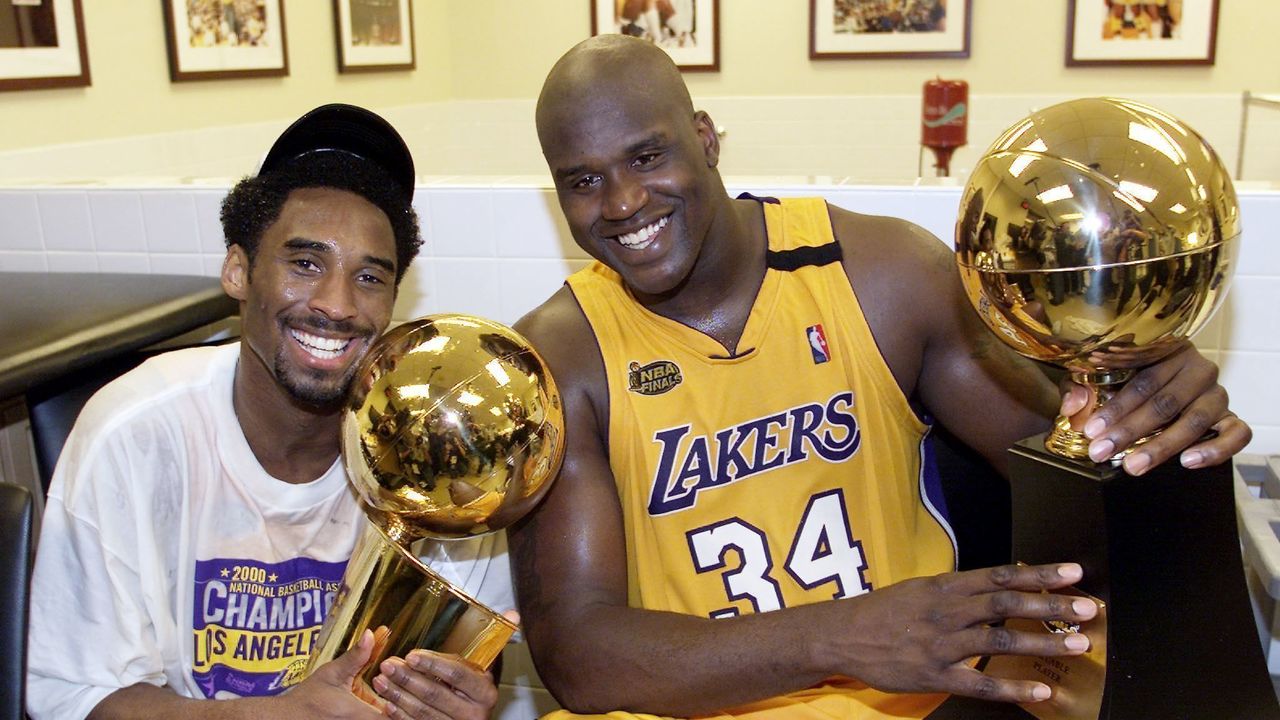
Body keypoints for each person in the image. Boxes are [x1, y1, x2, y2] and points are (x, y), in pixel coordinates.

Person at [509, 35, 1250, 719]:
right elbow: (578, 654)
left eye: (646, 158)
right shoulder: (559, 357)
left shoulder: (884, 275)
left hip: (902, 712)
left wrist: (1143, 401)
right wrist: (840, 637)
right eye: (582, 181)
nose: (622, 204)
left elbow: (1066, 458)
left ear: (704, 139)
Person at [26, 104, 511, 720]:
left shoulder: (432, 450)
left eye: (369, 277)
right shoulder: (135, 433)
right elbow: (75, 697)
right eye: (305, 264)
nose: (336, 305)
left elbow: (452, 665)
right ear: (238, 270)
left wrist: (454, 700)